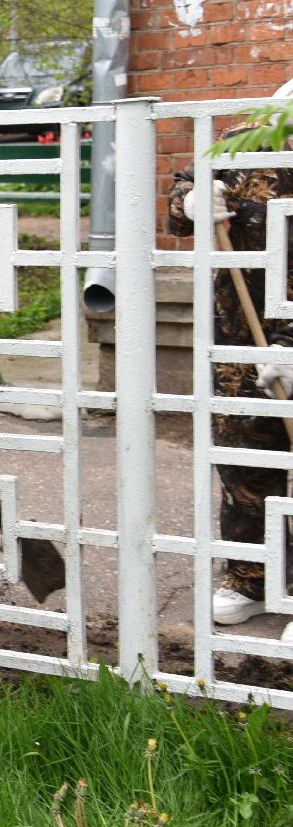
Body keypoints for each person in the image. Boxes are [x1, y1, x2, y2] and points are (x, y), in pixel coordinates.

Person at [166, 106, 293, 638]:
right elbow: (177, 203)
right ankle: (251, 578)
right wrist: (191, 202)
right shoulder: (245, 143)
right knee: (244, 464)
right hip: (243, 338)